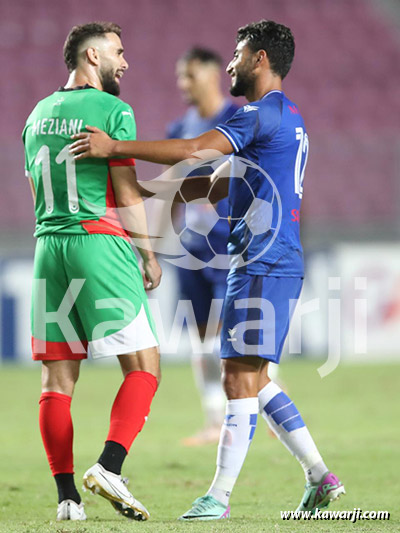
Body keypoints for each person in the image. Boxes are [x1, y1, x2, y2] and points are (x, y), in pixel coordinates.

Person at [70, 19, 345, 520]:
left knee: (238, 379)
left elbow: (195, 150)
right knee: (255, 378)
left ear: (260, 58)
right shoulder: (289, 116)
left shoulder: (259, 114)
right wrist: (158, 195)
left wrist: (115, 150)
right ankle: (319, 476)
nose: (232, 64)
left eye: (238, 55)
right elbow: (219, 184)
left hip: (261, 260)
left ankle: (217, 497)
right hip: (272, 258)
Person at [22, 22, 162, 522]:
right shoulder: (113, 111)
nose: (124, 62)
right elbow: (123, 192)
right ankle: (109, 465)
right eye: (118, 53)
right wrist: (147, 253)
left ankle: (66, 500)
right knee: (145, 366)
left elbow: (41, 188)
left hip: (47, 246)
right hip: (98, 242)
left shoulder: (36, 116)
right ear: (91, 56)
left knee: (56, 380)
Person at [166, 47, 238, 446]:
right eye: (180, 76)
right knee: (203, 340)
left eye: (189, 75)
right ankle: (214, 421)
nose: (182, 84)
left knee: (233, 339)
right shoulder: (178, 129)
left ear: (212, 75)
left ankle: (243, 416)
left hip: (232, 247)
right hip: (191, 251)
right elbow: (173, 191)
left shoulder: (236, 122)